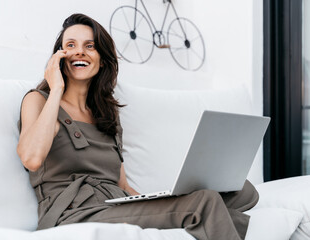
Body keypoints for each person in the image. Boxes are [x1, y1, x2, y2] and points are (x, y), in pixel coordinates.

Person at [16, 13, 258, 240]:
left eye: (90, 46)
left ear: (101, 59)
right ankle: (207, 217)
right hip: (72, 213)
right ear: (58, 56)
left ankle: (203, 216)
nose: (80, 52)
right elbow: (32, 159)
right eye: (71, 45)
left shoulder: (106, 113)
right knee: (206, 202)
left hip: (115, 205)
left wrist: (166, 201)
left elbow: (122, 185)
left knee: (242, 191)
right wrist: (56, 87)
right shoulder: (39, 100)